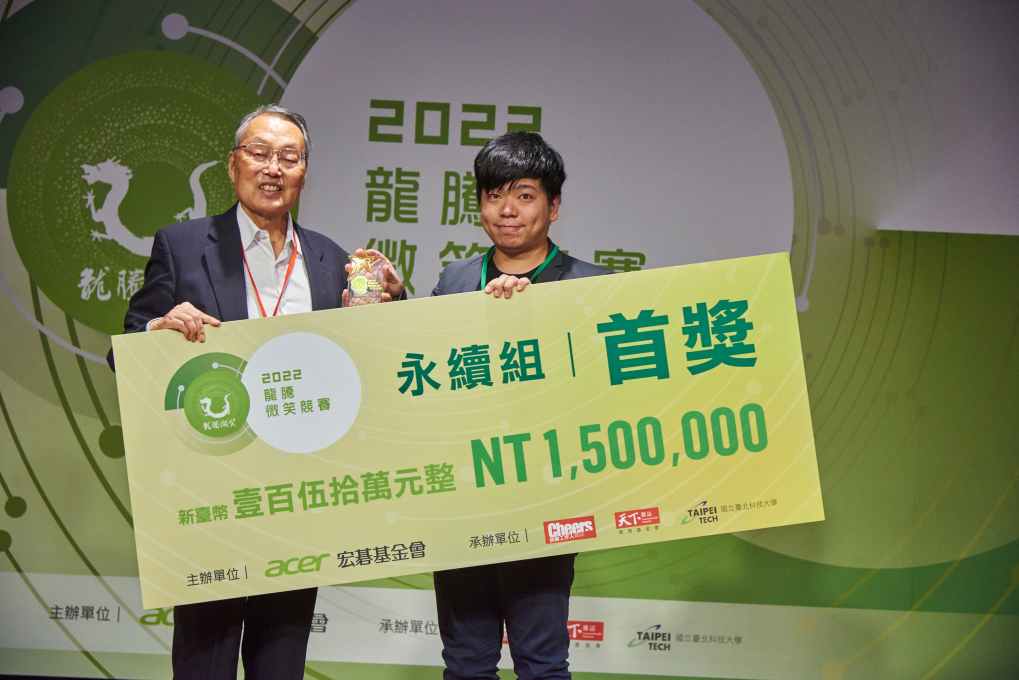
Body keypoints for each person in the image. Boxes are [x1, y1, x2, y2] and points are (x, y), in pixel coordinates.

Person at [117, 104, 403, 679]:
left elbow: (366, 368)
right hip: (211, 488)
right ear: (233, 165)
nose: (274, 168)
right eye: (260, 153)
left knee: (282, 659)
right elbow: (124, 351)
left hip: (298, 495)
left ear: (304, 173)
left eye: (289, 157)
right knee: (205, 656)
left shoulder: (333, 261)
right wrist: (158, 332)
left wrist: (391, 306)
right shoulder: (182, 244)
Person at [431, 131, 608, 680]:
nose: (506, 210)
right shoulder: (455, 281)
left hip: (548, 498)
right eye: (493, 196)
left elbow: (603, 393)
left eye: (524, 195)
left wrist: (535, 321)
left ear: (553, 207)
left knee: (542, 662)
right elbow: (428, 378)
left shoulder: (591, 287)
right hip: (463, 499)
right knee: (465, 663)